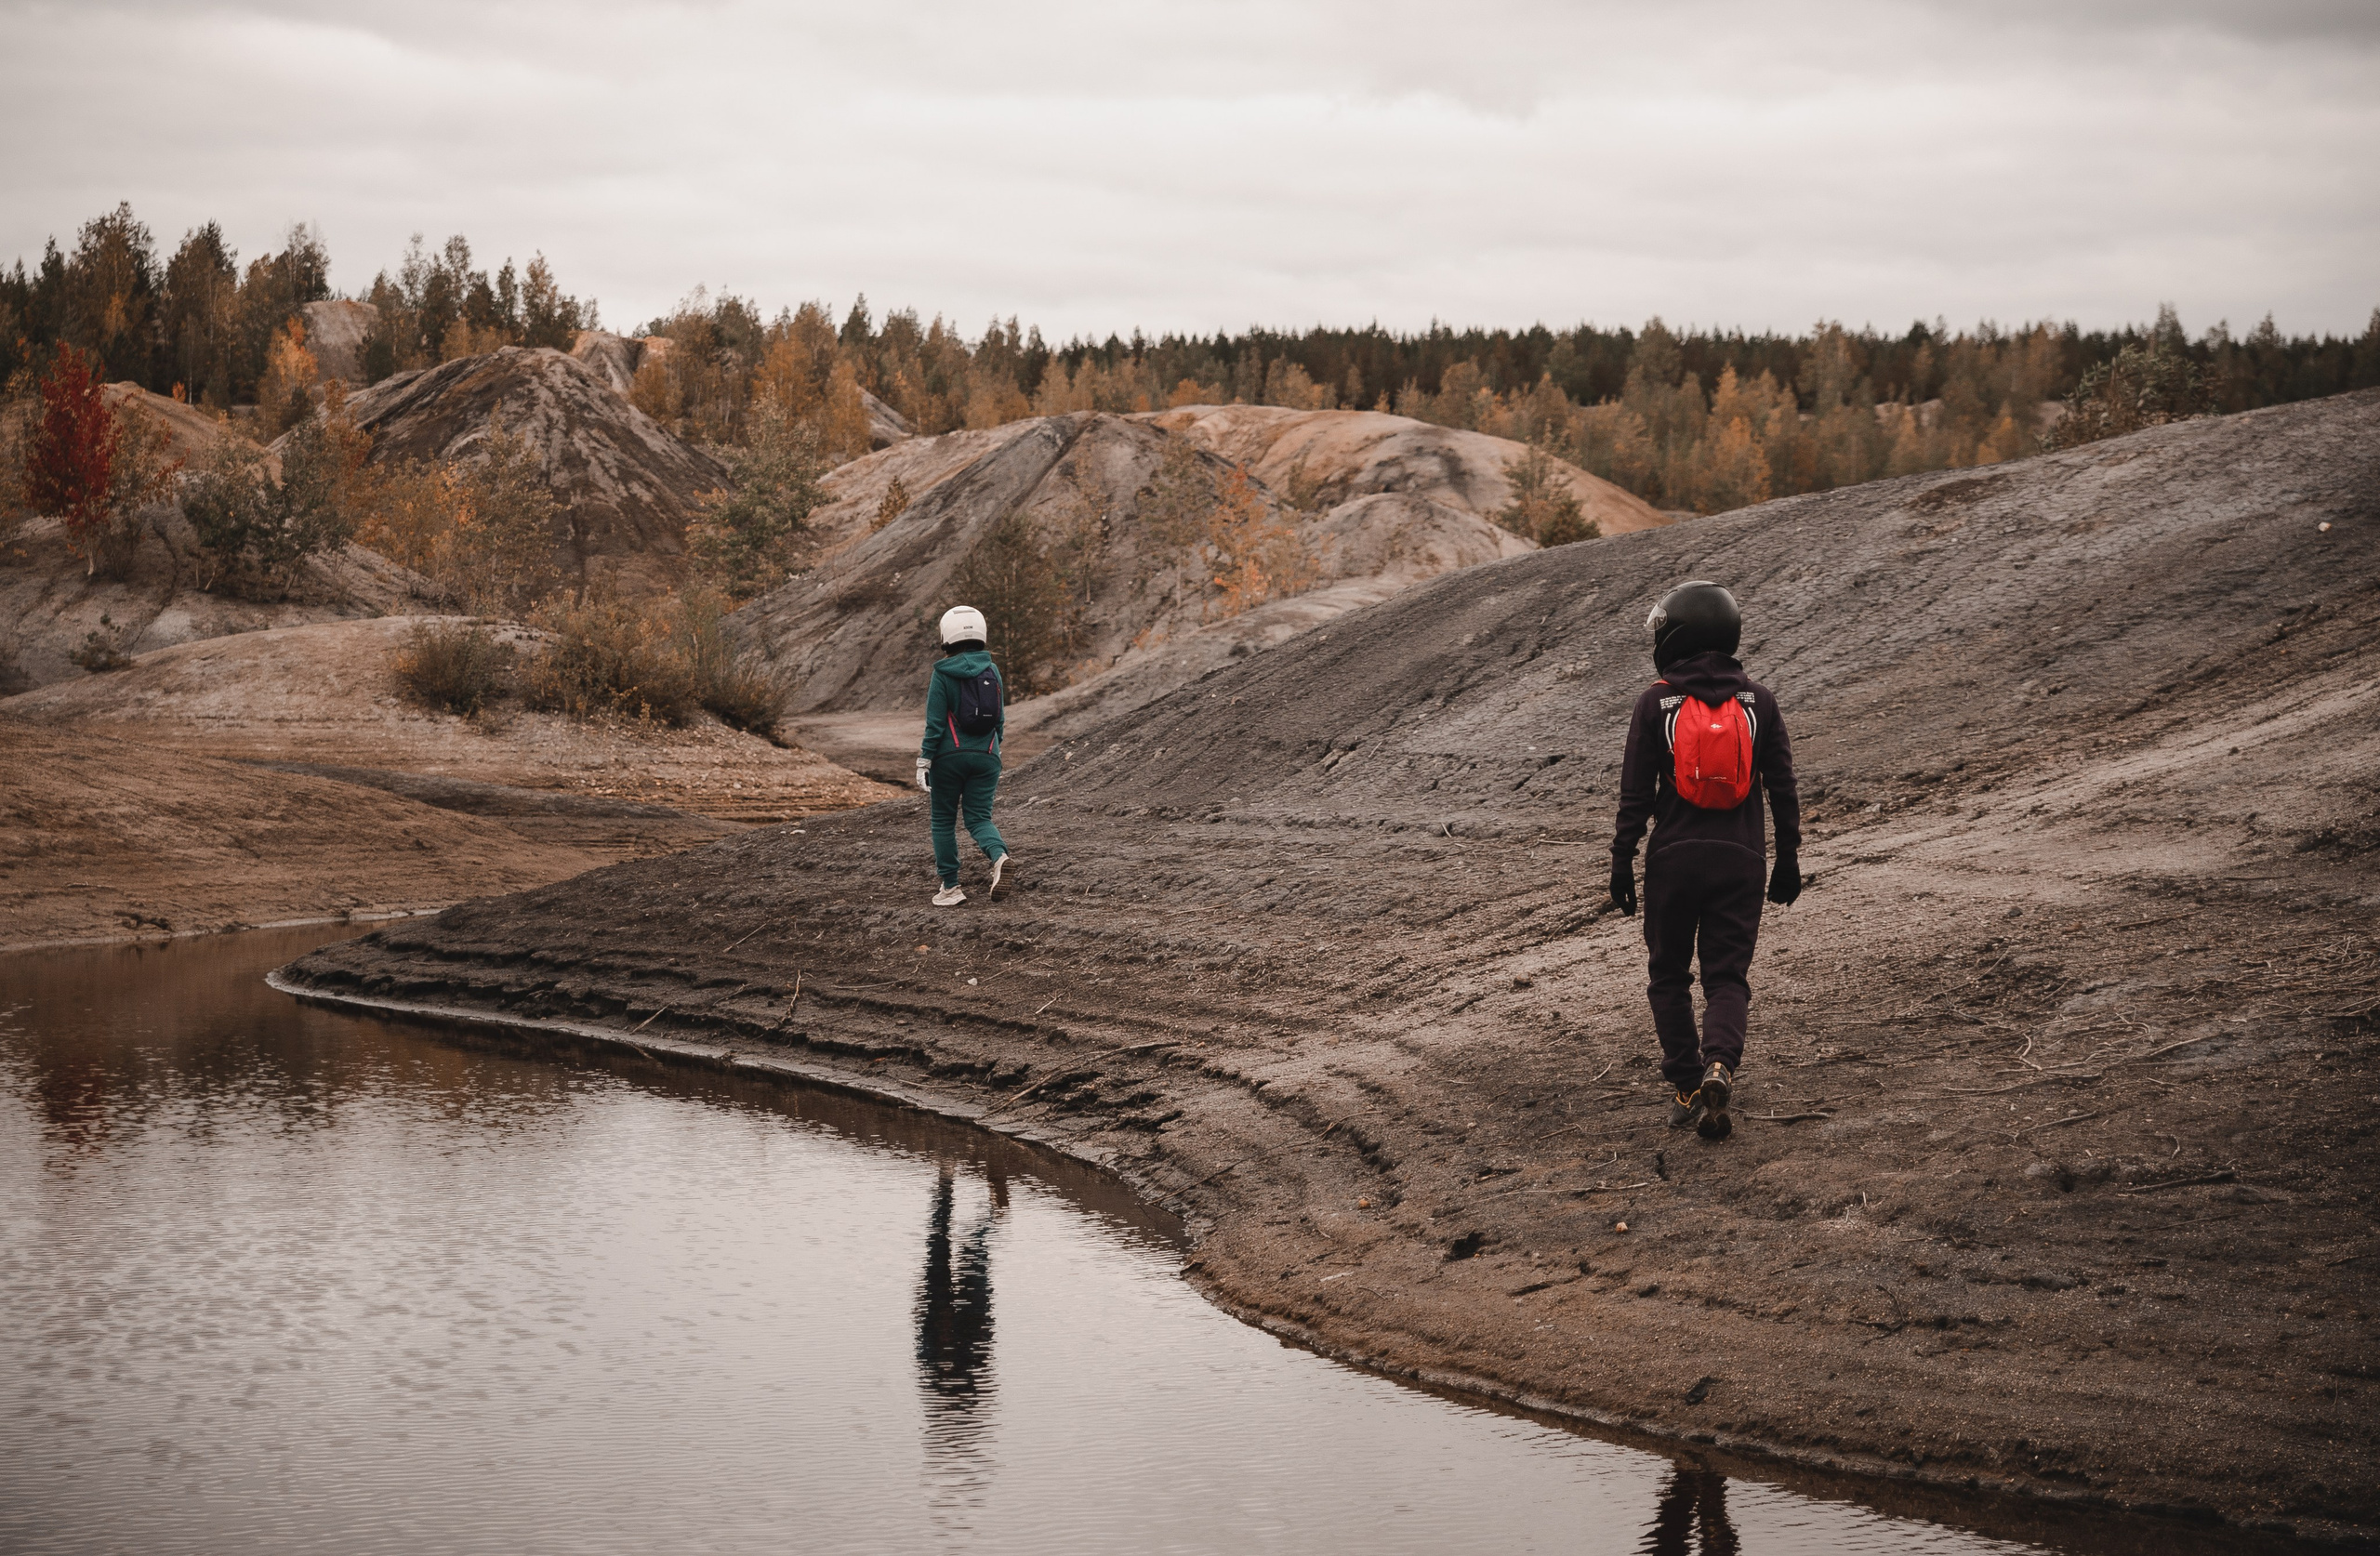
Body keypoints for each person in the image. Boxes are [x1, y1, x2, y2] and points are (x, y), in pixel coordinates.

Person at [1607, 581, 1802, 1141]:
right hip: (1741, 861)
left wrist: (1623, 861)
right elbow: (1783, 787)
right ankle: (1721, 1063)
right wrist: (1786, 859)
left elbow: (1635, 795)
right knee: (1727, 978)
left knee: (1668, 975)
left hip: (1673, 861)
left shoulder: (1655, 701)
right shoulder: (1759, 701)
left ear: (1677, 635)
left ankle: (1689, 1083)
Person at [916, 605, 1013, 907]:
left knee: (943, 822)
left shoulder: (942, 673)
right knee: (979, 817)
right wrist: (991, 749)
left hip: (948, 758)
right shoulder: (992, 669)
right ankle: (999, 858)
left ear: (947, 636)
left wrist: (924, 761)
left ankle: (951, 888)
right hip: (987, 757)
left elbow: (934, 723)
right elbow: (999, 719)